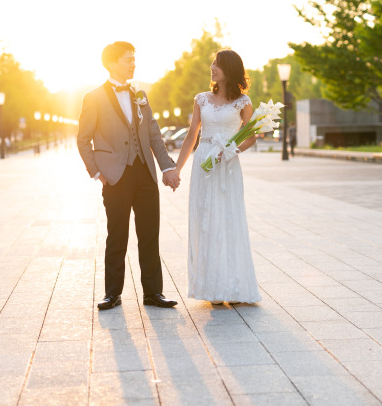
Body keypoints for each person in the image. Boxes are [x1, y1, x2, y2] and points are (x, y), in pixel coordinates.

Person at [77, 41, 181, 311]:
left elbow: (154, 134)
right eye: (128, 59)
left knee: (150, 235)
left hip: (144, 173)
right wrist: (98, 172)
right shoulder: (93, 97)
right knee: (117, 236)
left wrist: (167, 167)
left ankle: (153, 293)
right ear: (112, 63)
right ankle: (112, 294)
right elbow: (83, 139)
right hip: (115, 176)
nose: (133, 63)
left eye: (134, 58)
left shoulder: (141, 95)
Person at [173, 49, 262, 305]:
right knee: (206, 221)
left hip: (228, 166)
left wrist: (230, 151)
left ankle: (234, 288)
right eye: (212, 63)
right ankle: (212, 288)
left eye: (218, 64)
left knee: (230, 219)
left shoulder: (243, 102)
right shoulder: (201, 99)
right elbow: (192, 135)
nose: (212, 67)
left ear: (230, 69)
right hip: (204, 164)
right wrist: (177, 168)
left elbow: (252, 136)